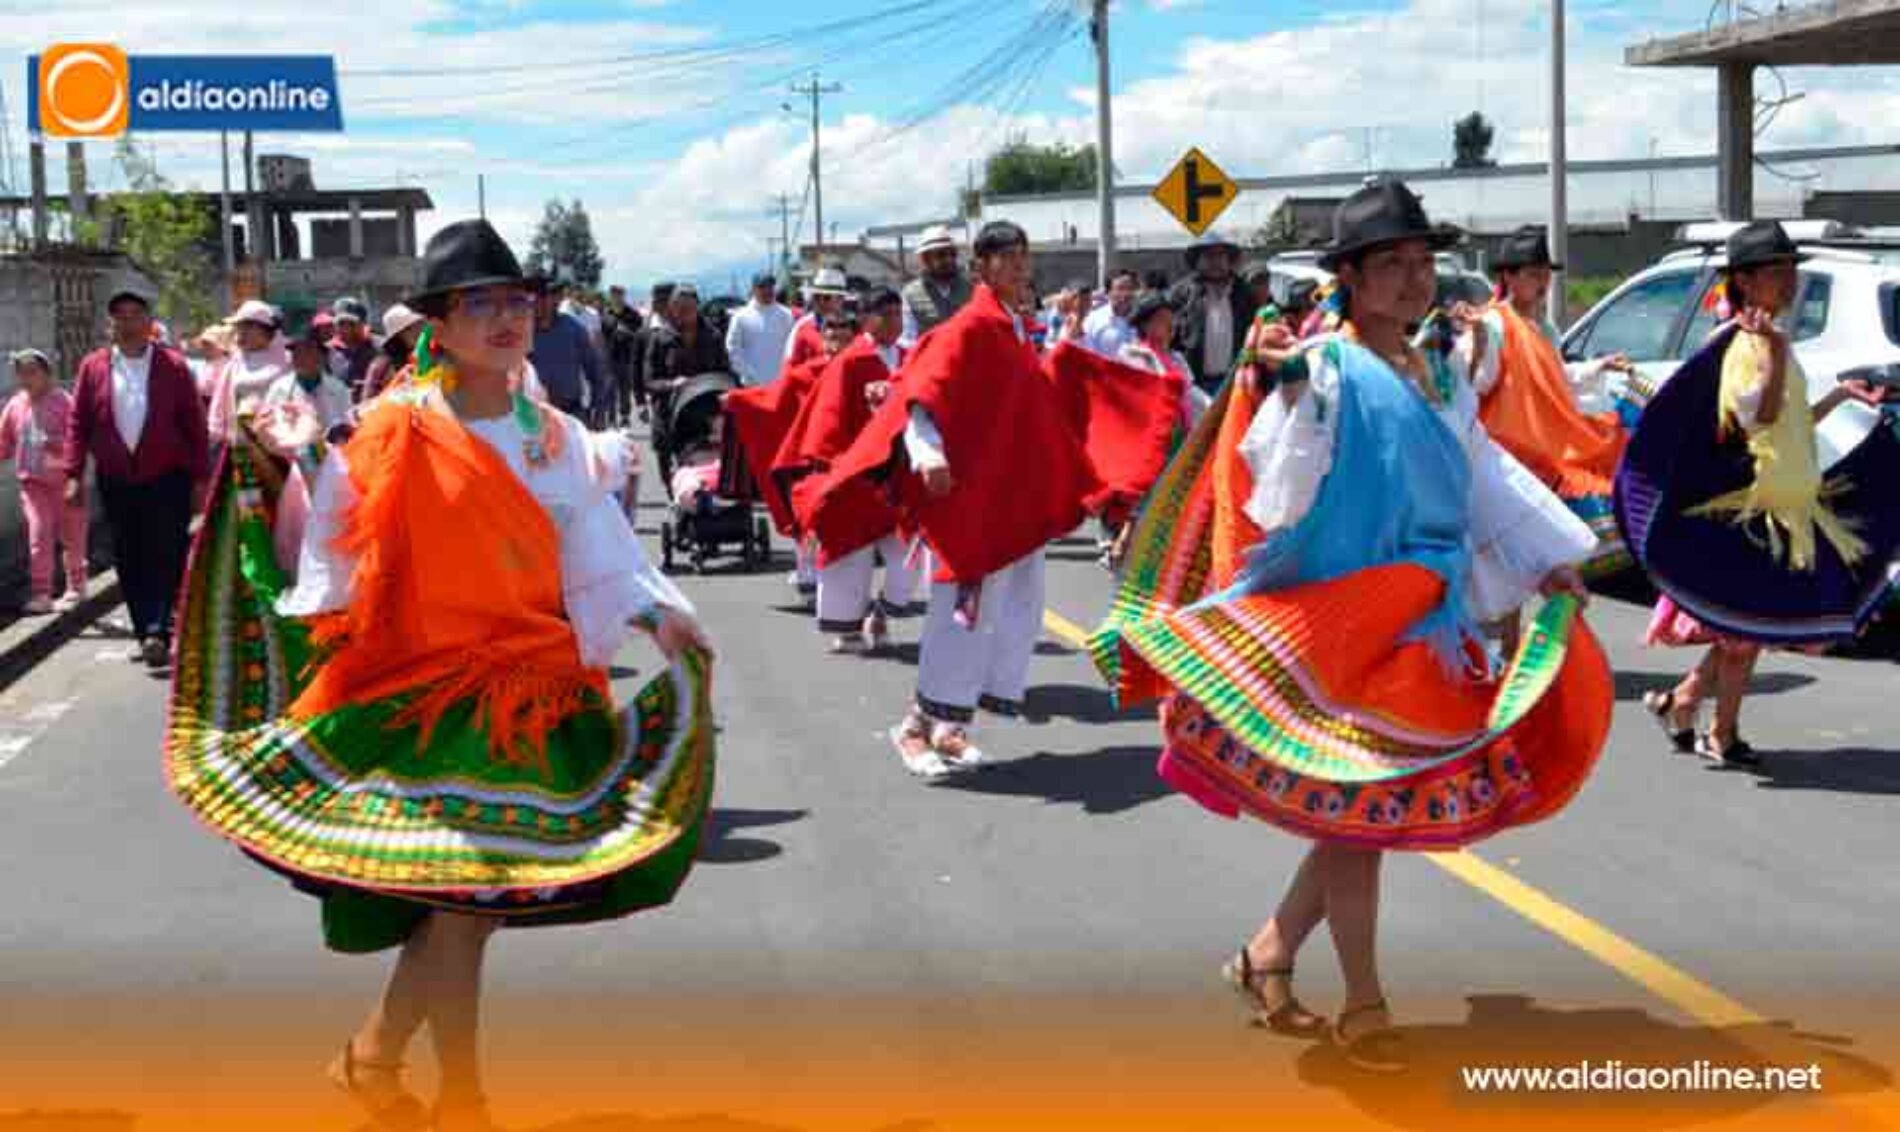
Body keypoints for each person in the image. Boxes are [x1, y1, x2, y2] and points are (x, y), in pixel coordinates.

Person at [164, 219, 714, 1132]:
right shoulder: (400, 424)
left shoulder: (556, 436)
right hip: (426, 696)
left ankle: (391, 1069)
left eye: (515, 301)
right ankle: (446, 1090)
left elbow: (597, 550)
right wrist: (295, 457)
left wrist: (660, 618)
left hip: (533, 699)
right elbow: (339, 535)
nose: (505, 318)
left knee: (467, 911)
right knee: (463, 908)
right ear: (441, 324)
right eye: (479, 304)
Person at [1091, 181, 1612, 1072]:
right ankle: (1363, 1003)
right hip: (1349, 626)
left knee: (1362, 811)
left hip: (1426, 623)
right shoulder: (1328, 369)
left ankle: (1267, 955)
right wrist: (1280, 387)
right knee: (1362, 814)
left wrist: (1542, 561)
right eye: (1392, 266)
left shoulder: (1437, 371)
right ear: (1350, 280)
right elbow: (1279, 488)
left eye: (1422, 263)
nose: (1413, 280)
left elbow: (1478, 476)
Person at [807, 221, 1117, 777]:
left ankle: (952, 727)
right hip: (967, 501)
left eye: (1025, 256)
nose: (1021, 267)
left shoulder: (1012, 329)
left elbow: (1030, 402)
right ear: (983, 266)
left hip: (1002, 496)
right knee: (961, 613)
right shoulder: (970, 327)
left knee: (997, 613)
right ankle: (913, 728)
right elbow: (925, 395)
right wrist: (928, 456)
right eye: (1009, 258)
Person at [1622, 219, 1899, 767]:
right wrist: (1772, 353)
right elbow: (1756, 417)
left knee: (1743, 630)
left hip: (1793, 506)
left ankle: (1682, 705)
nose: (1789, 279)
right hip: (1752, 512)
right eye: (1777, 271)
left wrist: (1841, 396)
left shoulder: (1771, 339)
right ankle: (1720, 733)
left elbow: (1790, 420)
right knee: (1744, 632)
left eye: (1790, 268)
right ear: (1744, 282)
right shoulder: (1738, 345)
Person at [1454, 226, 1634, 574]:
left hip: (1540, 453)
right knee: (1513, 568)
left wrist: (1597, 366)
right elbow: (1477, 381)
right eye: (1534, 275)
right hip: (1510, 456)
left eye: (1545, 275)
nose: (1543, 283)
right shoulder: (1493, 323)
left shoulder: (1541, 327)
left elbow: (1553, 378)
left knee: (1535, 569)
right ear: (1509, 276)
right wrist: (1475, 342)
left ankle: (1524, 628)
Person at [65, 287, 209, 667]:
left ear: (149, 323)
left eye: (134, 316)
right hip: (117, 478)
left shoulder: (173, 366)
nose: (127, 324)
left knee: (167, 550)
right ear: (110, 325)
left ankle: (158, 628)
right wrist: (73, 472)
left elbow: (193, 423)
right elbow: (78, 422)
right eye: (119, 317)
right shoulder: (93, 366)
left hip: (167, 477)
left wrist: (200, 477)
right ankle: (146, 626)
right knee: (129, 554)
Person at [777, 287, 921, 654]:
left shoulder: (910, 356)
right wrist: (838, 467)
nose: (894, 322)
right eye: (886, 314)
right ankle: (850, 627)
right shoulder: (851, 361)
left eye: (898, 314)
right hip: (857, 475)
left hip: (903, 475)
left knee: (909, 558)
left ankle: (883, 613)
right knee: (849, 557)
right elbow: (828, 422)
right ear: (867, 319)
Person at [0, 350, 87, 613]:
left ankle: (76, 586)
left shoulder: (64, 402)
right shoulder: (16, 404)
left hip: (65, 482)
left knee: (72, 536)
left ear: (47, 374)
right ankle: (42, 593)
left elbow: (78, 441)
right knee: (39, 534)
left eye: (32, 373)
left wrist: (55, 445)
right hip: (32, 483)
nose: (26, 379)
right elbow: (4, 441)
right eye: (21, 374)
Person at [1169, 232, 1253, 394]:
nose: (1215, 262)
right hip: (1194, 385)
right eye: (1208, 256)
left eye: (1221, 256)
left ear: (1229, 260)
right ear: (1197, 261)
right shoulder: (1181, 294)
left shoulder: (1244, 292)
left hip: (1235, 382)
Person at [207, 300, 292, 442]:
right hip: (243, 446)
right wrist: (215, 432)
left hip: (281, 444)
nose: (241, 332)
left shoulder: (288, 360)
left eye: (247, 326)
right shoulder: (235, 362)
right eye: (239, 327)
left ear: (266, 329)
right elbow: (219, 402)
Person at [644, 283, 731, 405]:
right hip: (671, 412)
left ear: (697, 306)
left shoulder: (713, 336)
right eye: (678, 307)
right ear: (671, 308)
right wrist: (671, 384)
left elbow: (725, 373)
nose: (683, 312)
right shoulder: (659, 338)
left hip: (706, 410)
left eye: (688, 307)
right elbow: (649, 381)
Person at [529, 277, 604, 417]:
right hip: (531, 416)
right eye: (532, 299)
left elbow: (594, 371)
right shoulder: (521, 333)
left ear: (552, 300)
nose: (535, 303)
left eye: (542, 297)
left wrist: (598, 407)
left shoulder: (573, 329)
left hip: (571, 412)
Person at [263, 328, 355, 435]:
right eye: (296, 351)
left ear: (322, 357)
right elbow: (267, 425)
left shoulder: (338, 388)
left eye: (308, 350)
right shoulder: (279, 388)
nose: (300, 356)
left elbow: (349, 423)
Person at [900, 225, 973, 347]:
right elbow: (907, 340)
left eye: (952, 254)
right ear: (925, 259)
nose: (949, 259)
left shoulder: (970, 289)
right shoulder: (910, 294)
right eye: (941, 255)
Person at [725, 273, 796, 388]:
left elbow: (792, 348)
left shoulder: (786, 315)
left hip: (780, 383)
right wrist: (748, 374)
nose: (767, 291)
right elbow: (732, 349)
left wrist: (786, 373)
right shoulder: (740, 316)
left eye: (770, 286)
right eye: (762, 287)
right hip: (750, 385)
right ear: (753, 289)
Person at [785, 269, 850, 371]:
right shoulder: (802, 327)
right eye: (816, 297)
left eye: (827, 297)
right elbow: (790, 366)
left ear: (840, 299)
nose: (821, 301)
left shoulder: (854, 327)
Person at [363, 303, 427, 401]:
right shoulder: (381, 367)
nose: (421, 330)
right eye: (413, 327)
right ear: (399, 335)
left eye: (421, 324)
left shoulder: (432, 355)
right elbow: (368, 403)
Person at [328, 297, 381, 401]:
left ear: (363, 323)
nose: (346, 329)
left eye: (352, 323)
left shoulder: (380, 347)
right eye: (341, 323)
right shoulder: (326, 351)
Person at [1082, 268, 1140, 359]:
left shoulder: (1143, 320)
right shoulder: (1094, 320)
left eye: (1130, 288)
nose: (1126, 293)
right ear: (1108, 292)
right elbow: (1086, 354)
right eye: (1120, 288)